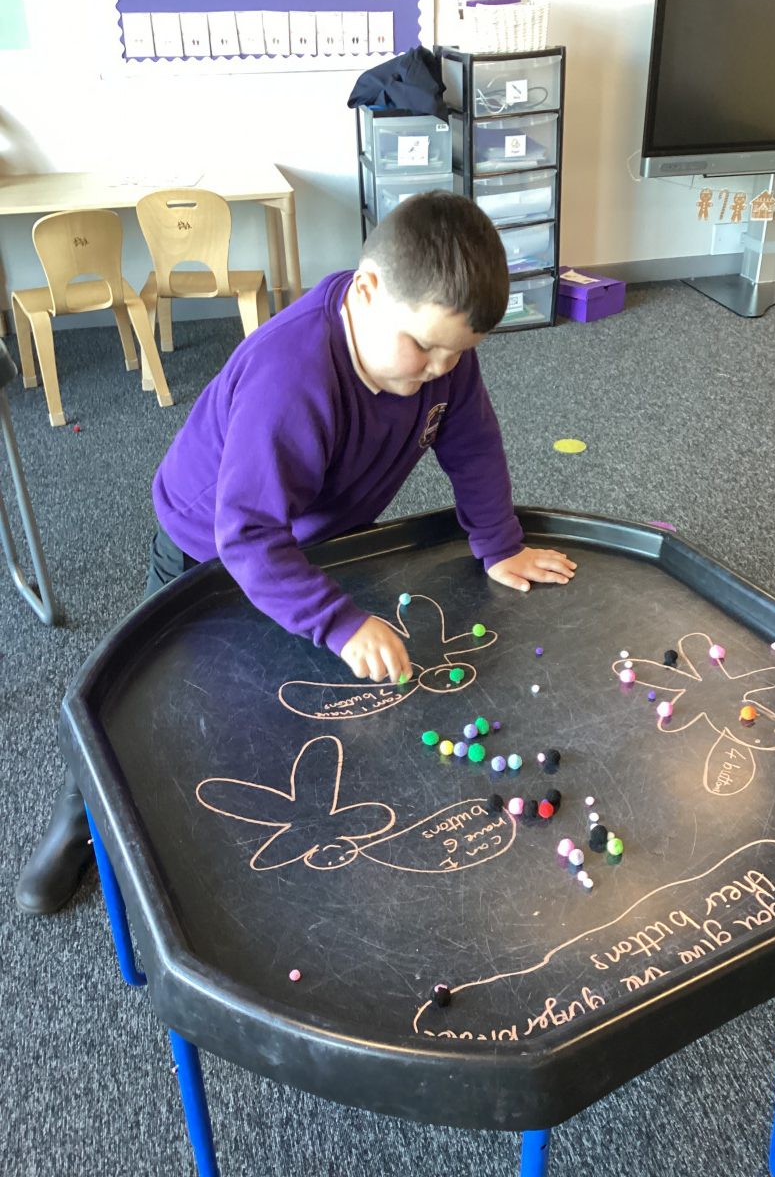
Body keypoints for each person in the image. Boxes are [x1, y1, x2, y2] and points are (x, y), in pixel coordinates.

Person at [16, 190, 575, 914]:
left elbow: (472, 446)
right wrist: (338, 622)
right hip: (205, 545)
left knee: (279, 679)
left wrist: (498, 542)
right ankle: (77, 819)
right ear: (367, 291)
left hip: (315, 535)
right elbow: (247, 535)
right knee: (143, 694)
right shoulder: (293, 375)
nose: (440, 368)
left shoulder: (438, 356)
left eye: (457, 353)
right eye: (423, 346)